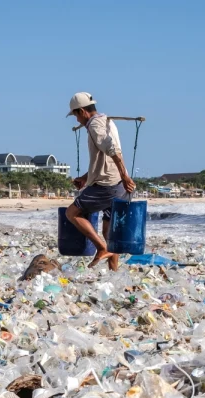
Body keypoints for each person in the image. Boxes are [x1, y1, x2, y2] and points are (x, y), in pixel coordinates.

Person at [64, 92, 137, 271]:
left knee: (72, 213)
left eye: (75, 115)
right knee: (109, 232)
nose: (77, 120)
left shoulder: (95, 125)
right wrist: (86, 178)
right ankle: (114, 272)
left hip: (108, 185)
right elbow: (104, 159)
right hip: (118, 185)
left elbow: (113, 149)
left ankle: (101, 247)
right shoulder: (107, 121)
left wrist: (125, 176)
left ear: (81, 111)